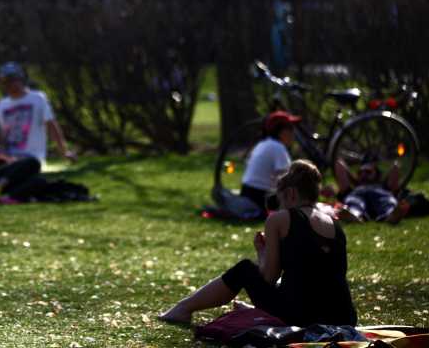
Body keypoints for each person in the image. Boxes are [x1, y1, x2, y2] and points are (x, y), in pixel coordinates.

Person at [160, 160, 357, 327]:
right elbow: (315, 276)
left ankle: (183, 309)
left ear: (291, 195)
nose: (279, 207)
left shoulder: (280, 219)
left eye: (280, 201)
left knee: (244, 269)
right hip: (343, 317)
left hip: (302, 318)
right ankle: (259, 311)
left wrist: (262, 254)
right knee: (298, 281)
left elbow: (269, 278)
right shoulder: (333, 221)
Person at [0, 62, 75, 162]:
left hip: (33, 157)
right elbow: (0, 133)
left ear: (21, 79)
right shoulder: (2, 105)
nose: (10, 85)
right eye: (6, 82)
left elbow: (51, 125)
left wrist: (64, 151)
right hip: (10, 157)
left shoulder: (38, 98)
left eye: (13, 80)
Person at [239, 111, 300, 212]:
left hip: (247, 192)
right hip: (261, 197)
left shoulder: (263, 144)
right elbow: (288, 179)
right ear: (281, 132)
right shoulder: (278, 147)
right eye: (290, 128)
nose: (293, 133)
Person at [334, 158, 409, 224]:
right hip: (357, 195)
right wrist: (354, 180)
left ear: (376, 174)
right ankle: (354, 215)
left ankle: (391, 215)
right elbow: (339, 164)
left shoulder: (384, 186)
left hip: (381, 194)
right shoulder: (352, 189)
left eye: (368, 172)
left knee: (387, 201)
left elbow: (395, 167)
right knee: (354, 202)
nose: (363, 174)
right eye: (360, 173)